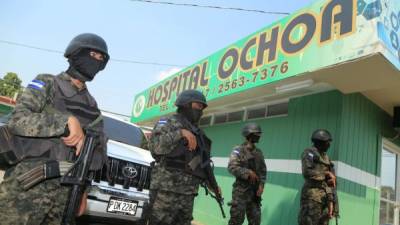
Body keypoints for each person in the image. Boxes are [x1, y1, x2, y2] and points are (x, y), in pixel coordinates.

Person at [0, 33, 109, 224]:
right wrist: (65, 122)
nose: (96, 61)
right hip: (29, 184)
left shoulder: (93, 107)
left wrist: (83, 191)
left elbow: (95, 154)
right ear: (76, 54)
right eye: (93, 54)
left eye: (101, 59)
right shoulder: (48, 83)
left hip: (68, 192)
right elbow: (18, 120)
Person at [147, 89, 221, 225]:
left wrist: (212, 184)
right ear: (185, 105)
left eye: (202, 108)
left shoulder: (199, 132)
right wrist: (180, 133)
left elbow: (202, 162)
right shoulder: (167, 122)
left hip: (188, 193)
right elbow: (155, 147)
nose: (200, 110)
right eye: (197, 106)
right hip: (166, 190)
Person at [227, 122, 267, 225]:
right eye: (256, 134)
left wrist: (262, 185)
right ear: (249, 135)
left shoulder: (259, 152)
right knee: (236, 221)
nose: (259, 136)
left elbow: (263, 171)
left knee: (255, 221)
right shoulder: (238, 150)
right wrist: (247, 172)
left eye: (259, 134)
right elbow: (232, 167)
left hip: (255, 195)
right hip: (241, 193)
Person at [298, 129, 337, 225]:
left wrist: (332, 201)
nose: (329, 145)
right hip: (312, 198)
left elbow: (331, 183)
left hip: (325, 200)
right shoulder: (309, 153)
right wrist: (326, 174)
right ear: (320, 142)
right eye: (328, 142)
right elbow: (307, 172)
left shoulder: (327, 158)